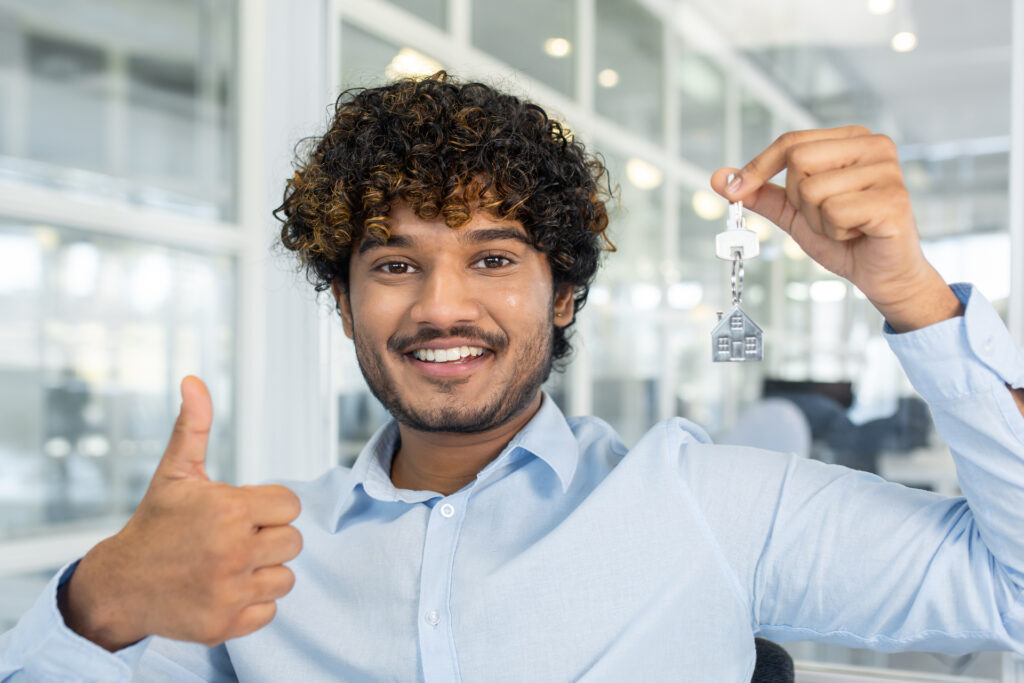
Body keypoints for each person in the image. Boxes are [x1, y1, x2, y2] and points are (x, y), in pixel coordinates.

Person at [3, 72, 1024, 682]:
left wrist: (914, 295)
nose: (443, 305)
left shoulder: (711, 502)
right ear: (344, 301)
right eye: (394, 263)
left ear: (564, 293)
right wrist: (100, 598)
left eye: (493, 258)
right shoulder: (261, 554)